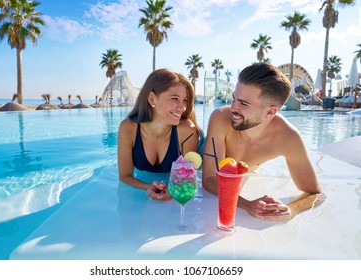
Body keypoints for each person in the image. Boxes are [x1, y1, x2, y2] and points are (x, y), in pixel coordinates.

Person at [202, 62, 324, 221]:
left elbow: (316, 193)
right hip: (204, 152)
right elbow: (209, 178)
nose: (232, 108)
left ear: (270, 111)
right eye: (234, 99)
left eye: (243, 103)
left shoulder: (288, 138)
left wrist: (291, 209)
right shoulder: (220, 118)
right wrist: (246, 204)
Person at [118, 69, 202, 201]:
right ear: (152, 98)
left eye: (184, 100)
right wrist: (148, 187)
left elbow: (188, 176)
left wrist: (174, 188)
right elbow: (125, 175)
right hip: (140, 190)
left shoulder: (186, 130)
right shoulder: (128, 128)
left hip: (174, 194)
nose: (182, 107)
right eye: (174, 98)